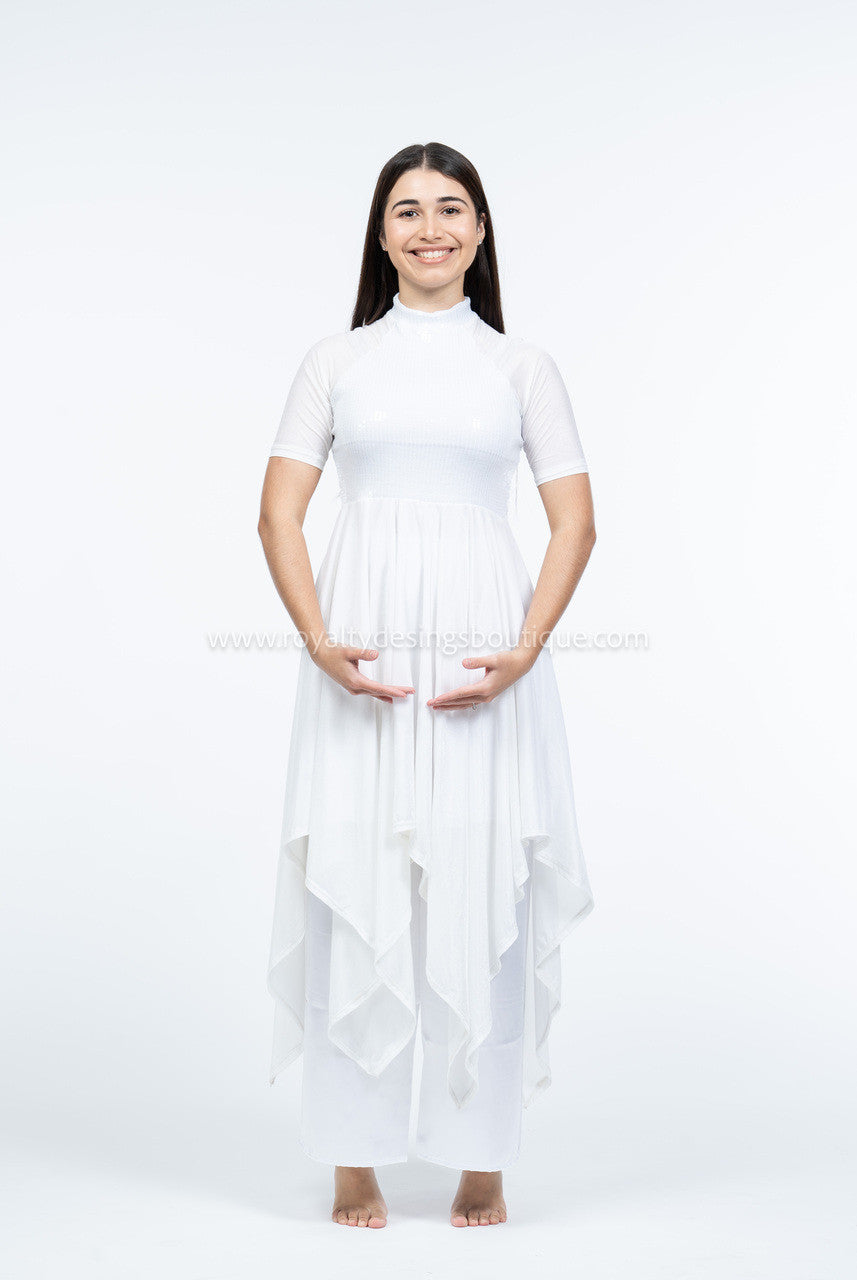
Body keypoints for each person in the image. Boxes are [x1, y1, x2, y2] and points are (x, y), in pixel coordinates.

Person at [258, 141, 597, 1229]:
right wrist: (317, 641)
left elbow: (574, 519)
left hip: (483, 664)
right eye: (406, 210)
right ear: (380, 233)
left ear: (481, 230)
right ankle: (352, 1154)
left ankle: (480, 1151)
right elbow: (277, 512)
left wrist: (526, 646)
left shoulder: (520, 367)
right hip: (357, 662)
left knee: (482, 881)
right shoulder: (334, 360)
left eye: (450, 209)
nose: (429, 227)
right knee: (353, 881)